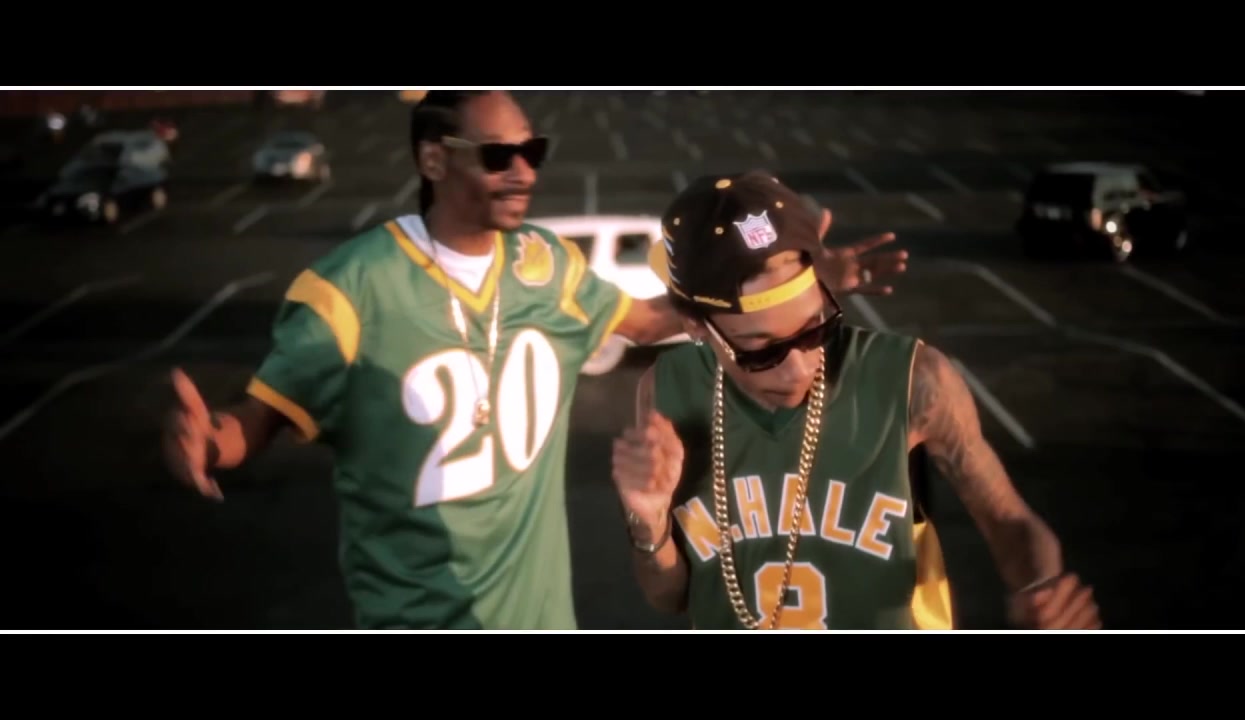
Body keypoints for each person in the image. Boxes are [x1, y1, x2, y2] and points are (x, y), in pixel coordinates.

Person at [161, 91, 898, 630]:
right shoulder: (349, 291)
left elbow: (648, 320)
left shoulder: (547, 266)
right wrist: (212, 442)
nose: (522, 171)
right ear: (432, 158)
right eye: (497, 155)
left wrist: (788, 286)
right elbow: (261, 417)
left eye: (532, 152)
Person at [610, 169, 1102, 630]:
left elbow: (1009, 521)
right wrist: (648, 523)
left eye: (815, 329)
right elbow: (669, 596)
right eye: (762, 349)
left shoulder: (915, 381)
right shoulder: (665, 392)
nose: (799, 368)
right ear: (695, 325)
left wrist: (1040, 586)